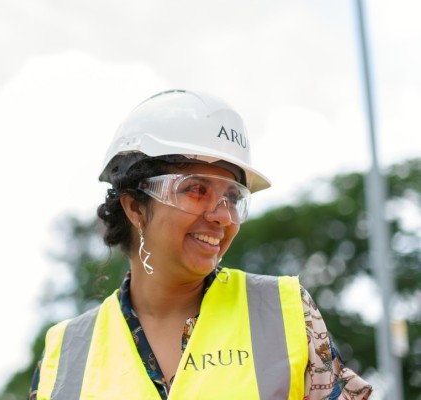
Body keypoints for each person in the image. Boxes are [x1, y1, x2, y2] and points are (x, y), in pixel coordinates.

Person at [28, 89, 373, 399]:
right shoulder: (65, 356)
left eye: (233, 197)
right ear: (135, 207)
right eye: (196, 190)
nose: (223, 216)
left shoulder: (284, 314)